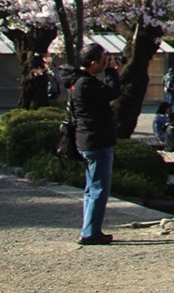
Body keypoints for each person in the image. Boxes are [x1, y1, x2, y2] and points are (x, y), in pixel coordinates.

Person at [71, 42, 122, 245]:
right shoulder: (87, 84)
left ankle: (89, 228)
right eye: (102, 60)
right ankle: (91, 232)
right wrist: (111, 72)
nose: (105, 63)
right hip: (97, 140)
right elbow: (112, 92)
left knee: (91, 188)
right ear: (92, 63)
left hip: (87, 139)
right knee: (99, 188)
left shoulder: (78, 81)